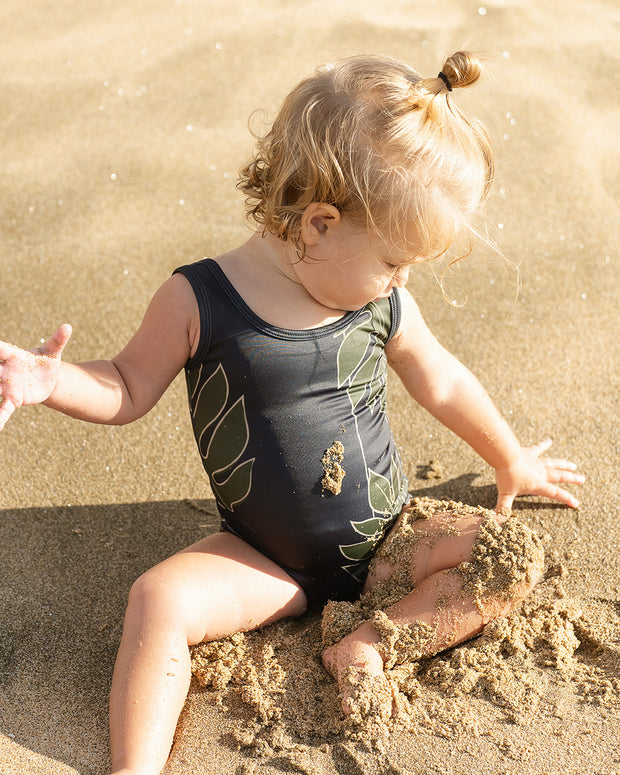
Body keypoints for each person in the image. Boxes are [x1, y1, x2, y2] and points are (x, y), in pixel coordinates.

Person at [0, 51, 584, 775]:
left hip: (389, 541)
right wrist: (46, 380)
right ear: (318, 225)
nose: (400, 280)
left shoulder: (381, 300)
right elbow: (124, 384)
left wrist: (510, 458)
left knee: (507, 556)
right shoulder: (199, 300)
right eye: (394, 260)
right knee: (156, 600)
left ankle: (371, 638)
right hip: (265, 559)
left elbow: (440, 378)